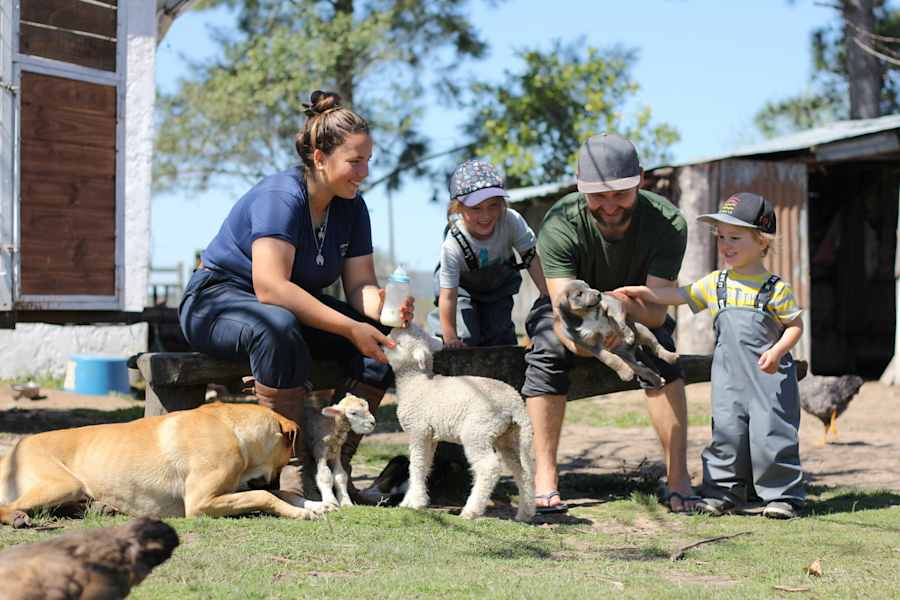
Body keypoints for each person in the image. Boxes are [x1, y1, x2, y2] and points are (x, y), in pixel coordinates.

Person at [178, 90, 413, 500]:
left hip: (286, 305)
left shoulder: (353, 207)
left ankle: (333, 464)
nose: (364, 172)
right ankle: (281, 473)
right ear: (320, 159)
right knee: (278, 327)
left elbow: (360, 287)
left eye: (368, 161)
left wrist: (386, 309)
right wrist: (349, 326)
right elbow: (270, 286)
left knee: (384, 341)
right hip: (215, 301)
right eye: (355, 162)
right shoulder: (281, 196)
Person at [522, 133, 695, 514]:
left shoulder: (668, 223)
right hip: (572, 315)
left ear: (640, 180)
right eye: (598, 196)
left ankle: (679, 478)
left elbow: (655, 314)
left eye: (620, 194)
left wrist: (619, 307)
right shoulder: (560, 222)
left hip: (635, 312)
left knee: (663, 360)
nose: (610, 206)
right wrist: (596, 340)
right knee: (547, 351)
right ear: (580, 187)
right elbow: (564, 313)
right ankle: (545, 476)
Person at [616, 192, 805, 519]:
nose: (726, 245)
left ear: (762, 241)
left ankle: (781, 496)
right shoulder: (717, 283)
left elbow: (795, 325)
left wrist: (777, 351)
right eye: (721, 238)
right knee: (727, 431)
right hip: (729, 376)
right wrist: (643, 292)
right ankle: (722, 491)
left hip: (769, 377)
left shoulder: (774, 288)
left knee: (770, 432)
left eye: (735, 237)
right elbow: (679, 295)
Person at [427, 159, 549, 347]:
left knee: (502, 341)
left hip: (497, 290)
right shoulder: (453, 244)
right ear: (459, 207)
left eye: (493, 205)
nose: (486, 215)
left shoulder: (511, 221)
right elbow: (448, 295)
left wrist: (546, 294)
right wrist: (450, 337)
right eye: (476, 208)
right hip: (460, 291)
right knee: (466, 337)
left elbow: (531, 257)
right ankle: (441, 336)